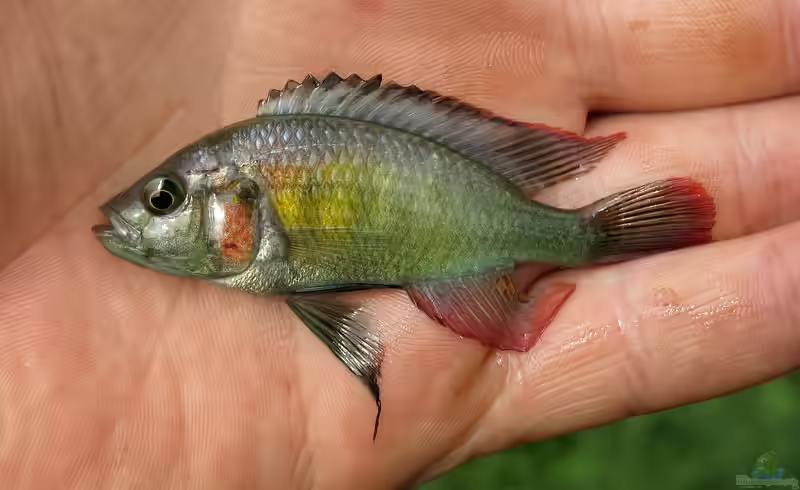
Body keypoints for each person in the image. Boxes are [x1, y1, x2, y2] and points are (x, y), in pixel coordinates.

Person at [0, 0, 798, 487]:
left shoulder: (265, 190)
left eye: (164, 199)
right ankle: (588, 240)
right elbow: (333, 318)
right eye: (160, 200)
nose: (139, 217)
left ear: (232, 200)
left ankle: (592, 239)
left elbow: (331, 314)